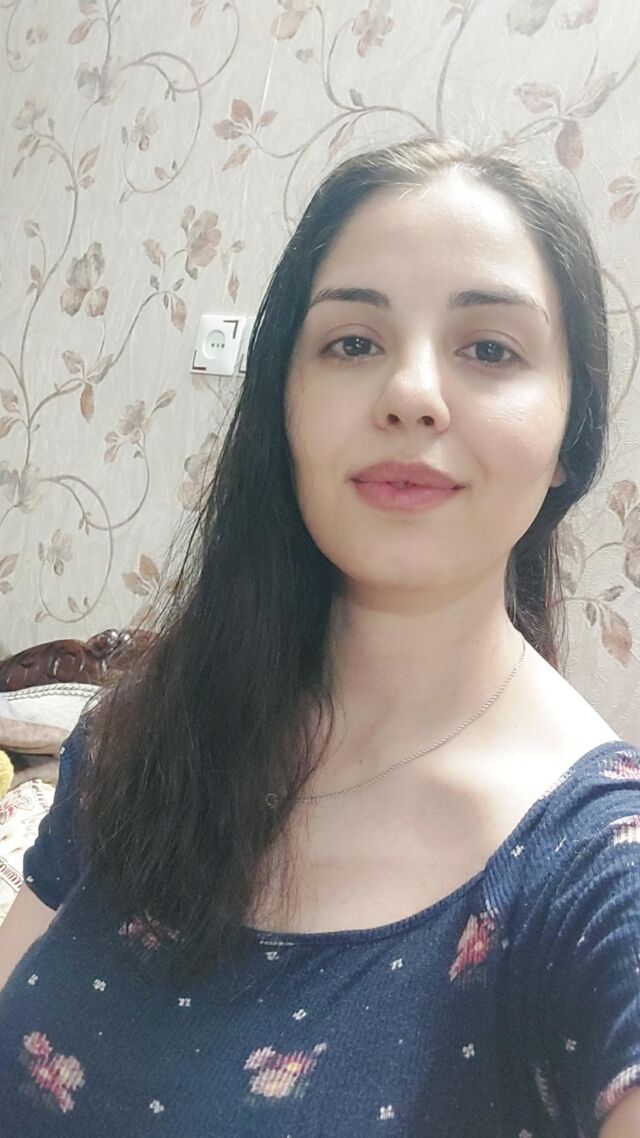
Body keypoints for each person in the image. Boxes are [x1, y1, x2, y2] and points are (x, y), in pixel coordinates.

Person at [0, 135, 639, 1137]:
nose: (411, 392)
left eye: (489, 349)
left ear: (571, 437)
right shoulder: (135, 736)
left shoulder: (600, 875)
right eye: (352, 342)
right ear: (283, 404)